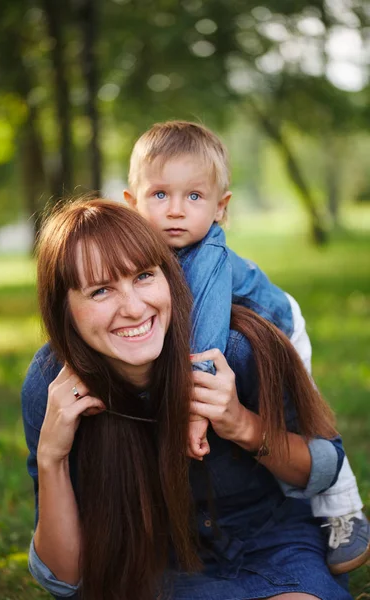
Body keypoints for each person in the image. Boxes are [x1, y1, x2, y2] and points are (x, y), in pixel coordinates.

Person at [23, 197, 353, 600]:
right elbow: (64, 577)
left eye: (144, 276)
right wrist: (51, 457)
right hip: (153, 571)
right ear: (64, 311)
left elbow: (321, 470)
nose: (133, 307)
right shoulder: (51, 389)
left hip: (270, 548)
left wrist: (240, 424)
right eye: (101, 290)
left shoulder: (238, 350)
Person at [123, 120, 370, 574]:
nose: (176, 211)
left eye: (194, 197)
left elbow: (207, 335)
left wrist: (195, 413)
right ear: (130, 203)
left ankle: (343, 508)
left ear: (222, 208)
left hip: (280, 329)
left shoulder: (208, 252)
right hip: (244, 337)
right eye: (160, 195)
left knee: (306, 412)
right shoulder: (149, 253)